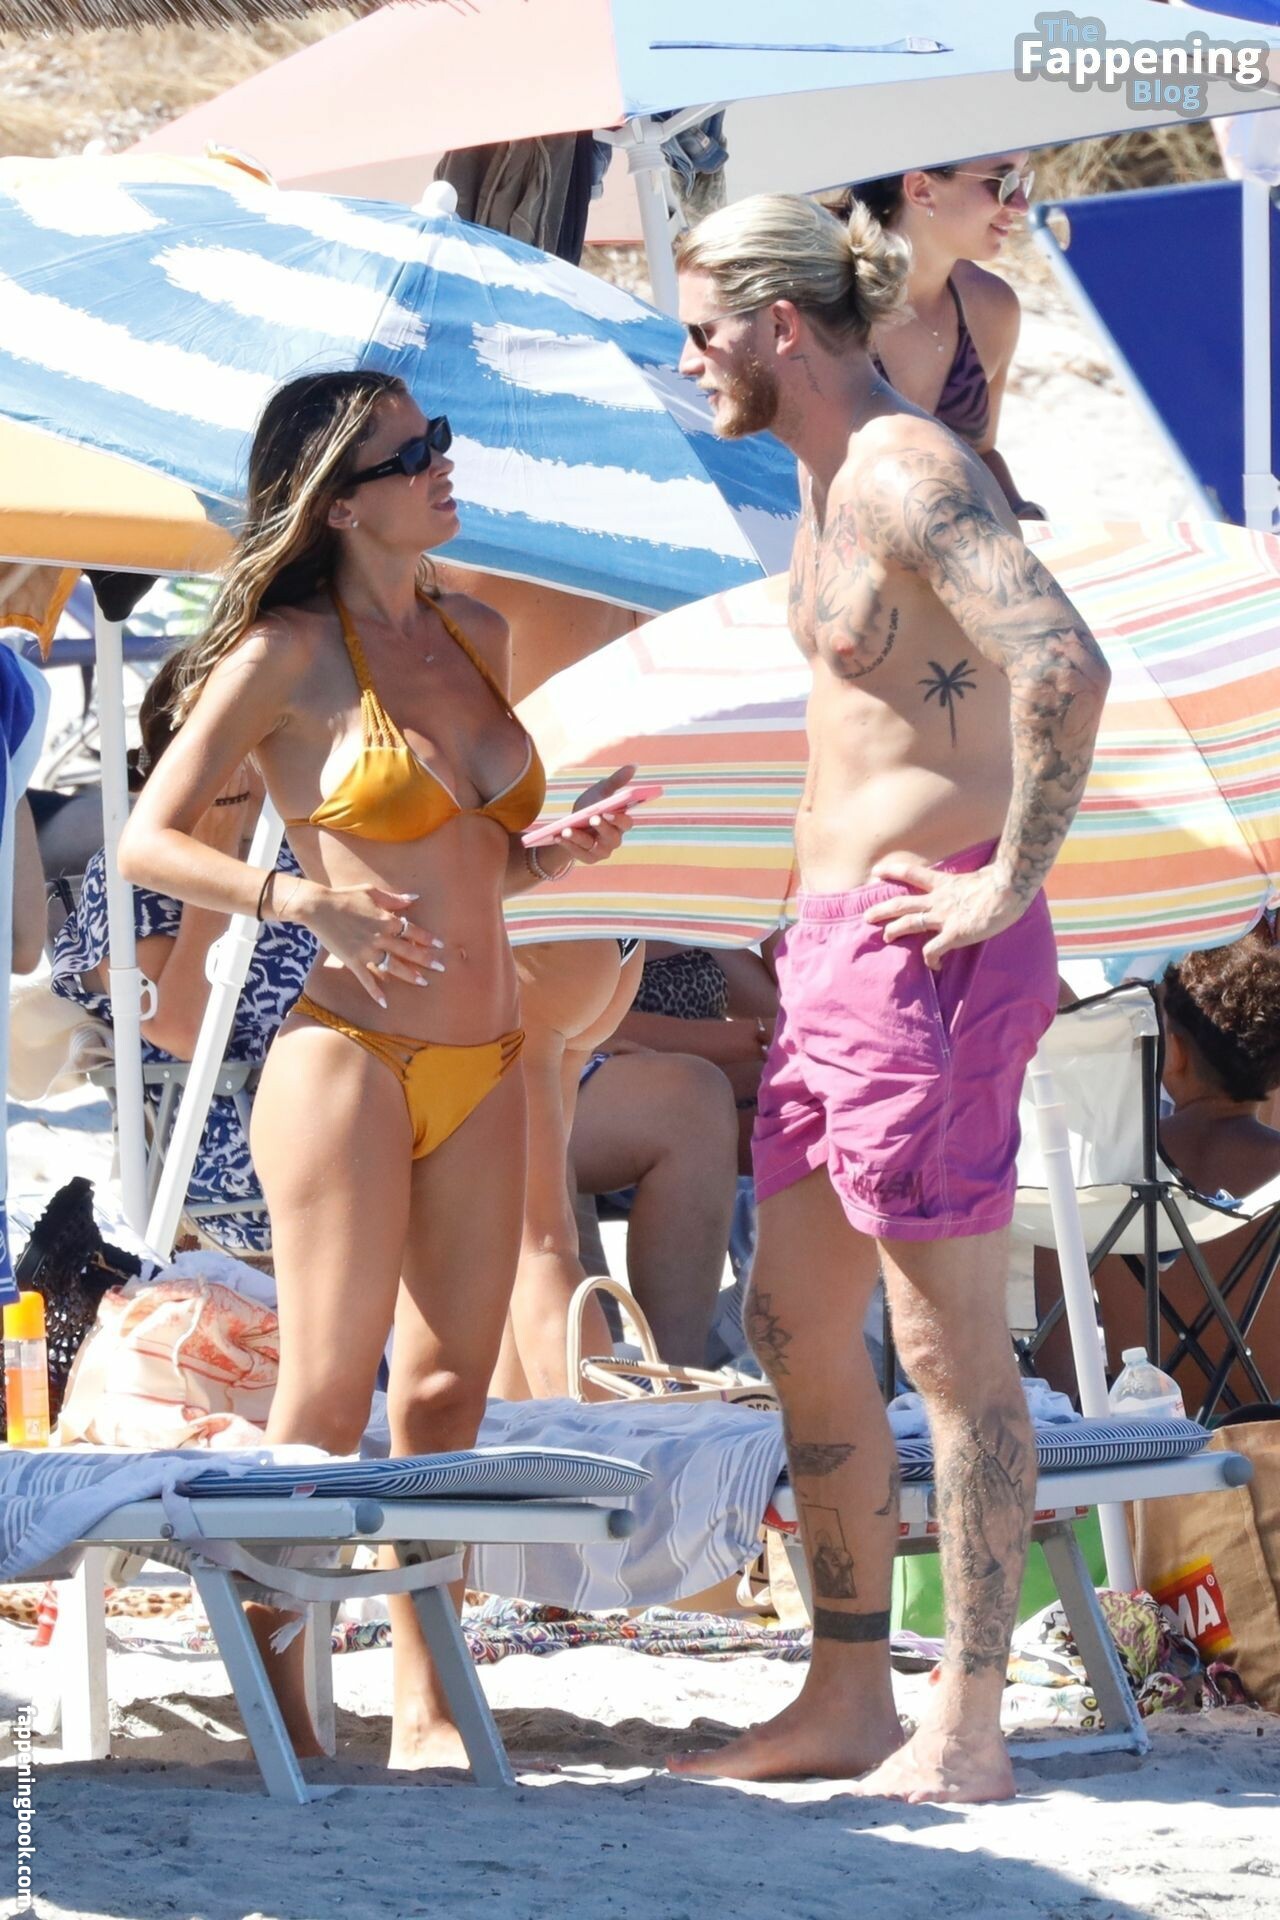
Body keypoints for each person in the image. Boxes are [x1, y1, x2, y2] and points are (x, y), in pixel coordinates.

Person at [118, 369, 633, 1770]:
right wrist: (296, 901)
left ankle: (424, 1691)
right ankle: (285, 1693)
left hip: (488, 1049)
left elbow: (475, 863)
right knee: (328, 1400)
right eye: (415, 453)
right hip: (347, 1050)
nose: (444, 464)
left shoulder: (477, 631)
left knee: (448, 1393)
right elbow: (149, 839)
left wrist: (552, 856)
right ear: (341, 502)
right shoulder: (284, 653)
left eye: (440, 440)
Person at [671, 193, 1109, 1800]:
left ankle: (968, 1725)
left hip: (929, 954)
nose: (690, 355)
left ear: (781, 323)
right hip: (836, 954)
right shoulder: (824, 476)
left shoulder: (908, 471)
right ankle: (847, 1694)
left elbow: (1063, 663)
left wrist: (1004, 885)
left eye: (704, 325)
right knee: (794, 1318)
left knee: (949, 1346)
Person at [51, 657, 315, 1256]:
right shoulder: (136, 872)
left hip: (359, 1112)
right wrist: (217, 851)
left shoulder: (308, 848)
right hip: (242, 1149)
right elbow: (180, 1028)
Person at [1037, 930, 1280, 1407]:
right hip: (1269, 1432)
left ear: (1176, 1052)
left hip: (1148, 1435)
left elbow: (1053, 1333)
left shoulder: (1100, 1166)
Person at [825, 155, 1043, 520]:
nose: (1021, 204)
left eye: (1023, 181)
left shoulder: (991, 308)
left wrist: (1021, 512)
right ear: (921, 189)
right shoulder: (821, 306)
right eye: (1003, 183)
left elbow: (978, 455)